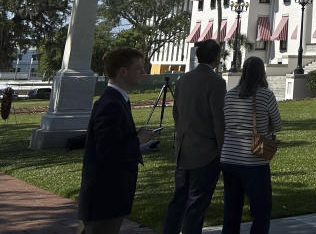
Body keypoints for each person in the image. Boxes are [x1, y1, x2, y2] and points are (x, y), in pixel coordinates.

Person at [78, 48, 153, 234]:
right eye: (138, 69)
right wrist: (138, 141)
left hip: (110, 194)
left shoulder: (117, 100)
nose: (143, 73)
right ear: (123, 71)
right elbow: (109, 151)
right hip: (106, 195)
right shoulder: (111, 104)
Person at [163, 39, 226, 234]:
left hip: (184, 149)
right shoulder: (216, 82)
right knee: (197, 203)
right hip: (206, 152)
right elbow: (219, 119)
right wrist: (222, 149)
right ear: (217, 58)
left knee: (179, 199)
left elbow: (176, 113)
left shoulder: (184, 79)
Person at [221, 56, 282, 234]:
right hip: (253, 158)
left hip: (229, 156)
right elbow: (278, 124)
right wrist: (267, 127)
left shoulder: (230, 94)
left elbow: (226, 120)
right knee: (261, 210)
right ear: (262, 72)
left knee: (231, 208)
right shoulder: (265, 94)